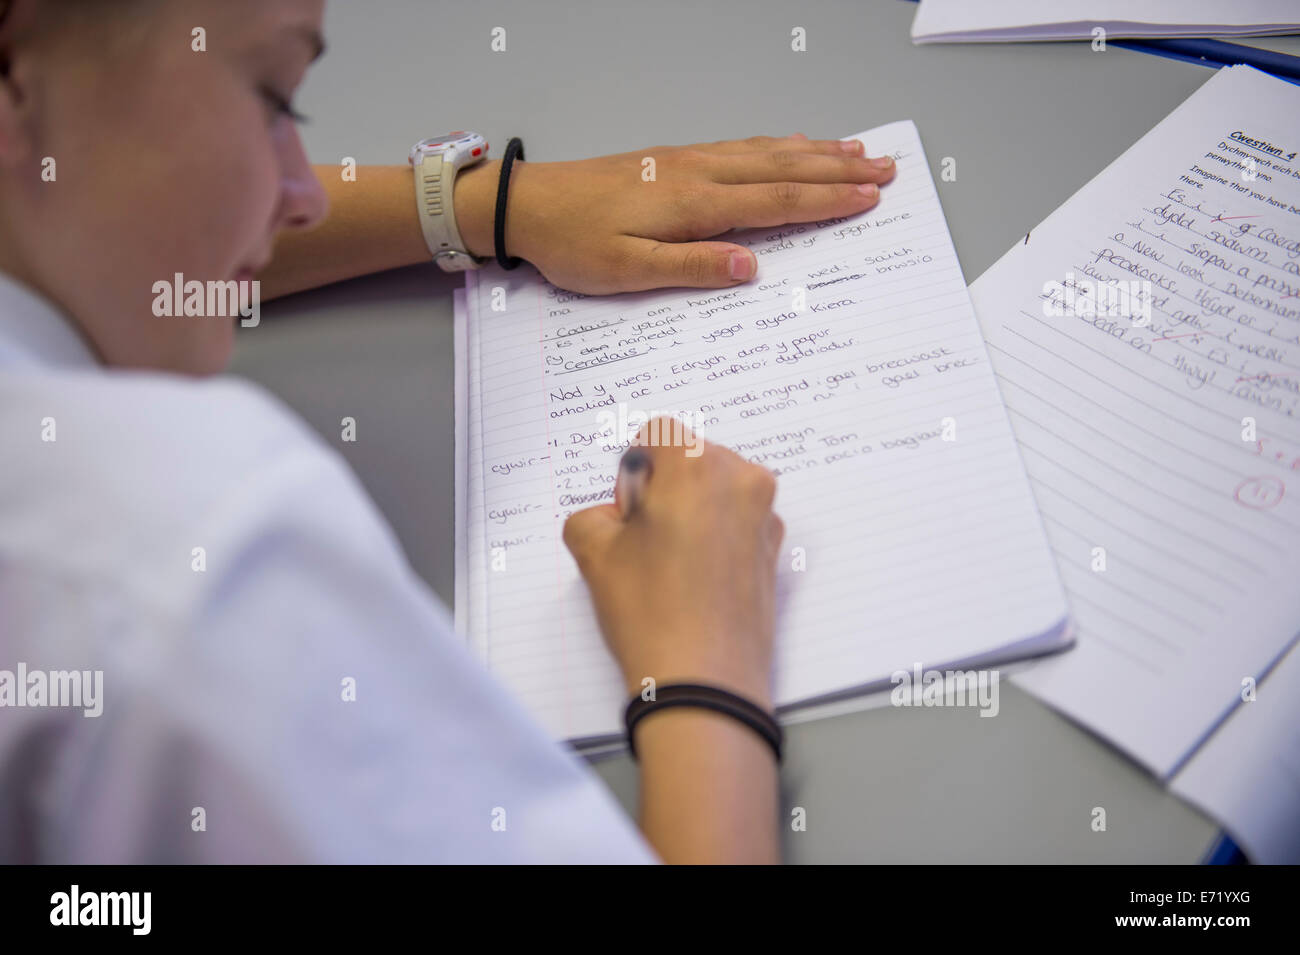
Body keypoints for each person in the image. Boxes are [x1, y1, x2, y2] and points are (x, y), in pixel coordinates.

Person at [0, 0, 895, 863]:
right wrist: (707, 668)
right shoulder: (178, 549)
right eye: (273, 98)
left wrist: (485, 205)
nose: (306, 195)